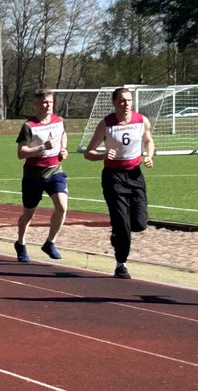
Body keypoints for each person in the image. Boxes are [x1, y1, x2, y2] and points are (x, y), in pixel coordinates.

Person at [83, 86, 154, 279]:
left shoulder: (141, 121)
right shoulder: (106, 124)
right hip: (114, 177)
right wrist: (104, 155)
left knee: (139, 223)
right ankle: (121, 264)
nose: (126, 104)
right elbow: (88, 153)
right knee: (123, 225)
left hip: (135, 176)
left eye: (129, 100)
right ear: (114, 103)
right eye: (122, 100)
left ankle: (117, 234)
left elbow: (148, 141)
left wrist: (149, 155)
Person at [13, 89, 69, 262]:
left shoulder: (59, 121)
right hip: (33, 175)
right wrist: (41, 147)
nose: (47, 106)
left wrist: (63, 149)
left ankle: (50, 242)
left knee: (62, 206)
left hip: (55, 171)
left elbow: (63, 135)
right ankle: (21, 243)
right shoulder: (29, 126)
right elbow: (21, 153)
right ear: (36, 105)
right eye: (44, 102)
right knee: (29, 213)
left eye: (50, 102)